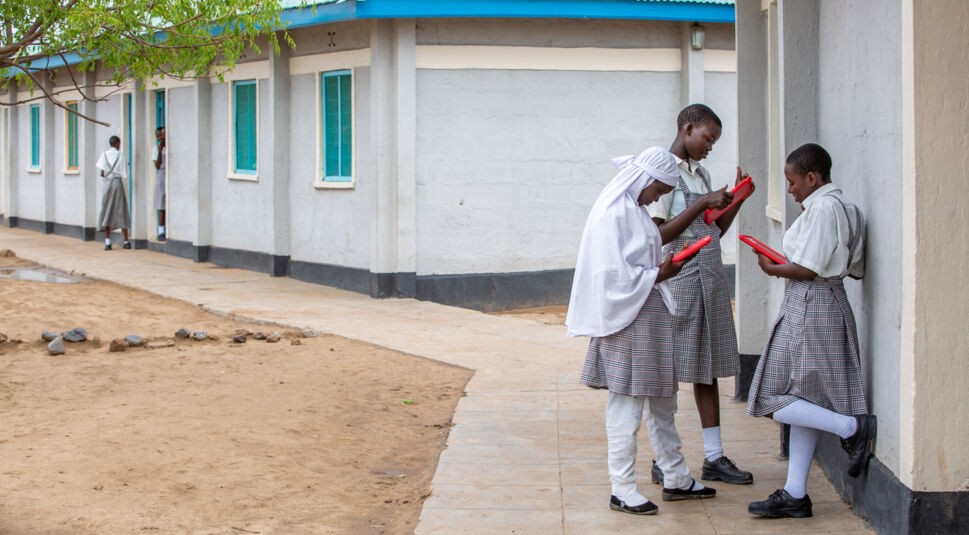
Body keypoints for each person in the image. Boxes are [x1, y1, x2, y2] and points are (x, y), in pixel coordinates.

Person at [567, 146, 716, 517]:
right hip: (628, 318)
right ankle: (623, 487)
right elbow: (610, 274)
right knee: (627, 403)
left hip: (647, 312)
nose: (658, 198)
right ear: (645, 179)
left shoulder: (631, 209)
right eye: (659, 190)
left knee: (663, 401)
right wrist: (657, 274)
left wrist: (660, 269)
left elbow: (640, 254)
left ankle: (676, 476)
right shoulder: (613, 212)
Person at [746, 143, 875, 519]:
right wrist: (785, 263)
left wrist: (773, 268)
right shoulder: (847, 208)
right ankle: (795, 492)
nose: (790, 190)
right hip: (829, 301)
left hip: (811, 303)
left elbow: (808, 269)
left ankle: (851, 427)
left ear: (812, 178)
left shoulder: (823, 207)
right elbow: (849, 266)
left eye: (792, 182)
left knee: (770, 396)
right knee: (807, 398)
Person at [648, 103, 754, 486]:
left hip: (707, 274)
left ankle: (714, 456)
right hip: (679, 276)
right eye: (708, 138)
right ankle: (664, 457)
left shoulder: (700, 173)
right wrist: (700, 204)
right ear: (687, 128)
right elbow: (658, 234)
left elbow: (713, 231)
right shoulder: (662, 172)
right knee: (671, 368)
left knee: (706, 367)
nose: (710, 147)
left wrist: (736, 199)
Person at [95, 135, 130, 251]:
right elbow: (124, 174)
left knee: (106, 211)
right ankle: (126, 241)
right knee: (121, 210)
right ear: (118, 144)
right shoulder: (121, 155)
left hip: (107, 184)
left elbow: (102, 173)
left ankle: (107, 243)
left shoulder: (103, 155)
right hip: (117, 183)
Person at [152, 126, 167, 241]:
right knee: (161, 204)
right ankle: (161, 231)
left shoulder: (170, 147)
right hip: (161, 176)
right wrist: (160, 150)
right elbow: (157, 165)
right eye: (158, 136)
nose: (160, 138)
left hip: (170, 176)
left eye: (162, 135)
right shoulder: (156, 149)